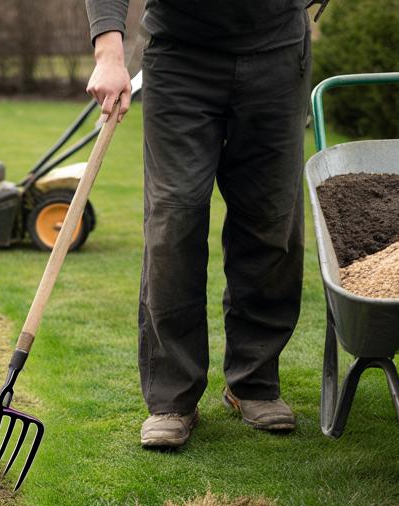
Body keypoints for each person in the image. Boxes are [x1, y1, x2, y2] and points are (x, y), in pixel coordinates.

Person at [85, 0, 314, 448]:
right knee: (173, 222)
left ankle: (254, 381)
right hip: (182, 57)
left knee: (270, 220)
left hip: (278, 55)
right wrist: (109, 55)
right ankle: (171, 399)